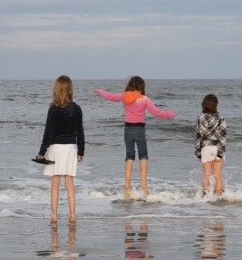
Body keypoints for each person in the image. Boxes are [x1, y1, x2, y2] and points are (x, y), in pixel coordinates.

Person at [95, 76, 175, 198]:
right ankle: (143, 183)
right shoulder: (144, 99)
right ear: (141, 87)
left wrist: (100, 91)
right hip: (139, 129)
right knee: (143, 156)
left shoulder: (124, 96)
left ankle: (127, 184)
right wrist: (169, 114)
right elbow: (156, 113)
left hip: (127, 129)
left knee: (129, 156)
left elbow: (111, 97)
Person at [37, 75, 85, 226]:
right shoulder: (76, 108)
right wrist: (81, 150)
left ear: (56, 90)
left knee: (55, 182)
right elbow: (80, 131)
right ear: (70, 89)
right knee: (69, 182)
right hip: (70, 147)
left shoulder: (53, 109)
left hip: (56, 147)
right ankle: (72, 215)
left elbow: (48, 132)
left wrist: (42, 151)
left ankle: (54, 216)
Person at [195, 94, 227, 196]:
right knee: (218, 176)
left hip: (206, 148)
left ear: (203, 105)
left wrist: (198, 153)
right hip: (217, 148)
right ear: (216, 105)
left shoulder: (200, 118)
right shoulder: (221, 118)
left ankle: (205, 198)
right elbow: (222, 137)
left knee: (206, 176)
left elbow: (198, 136)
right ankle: (218, 199)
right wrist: (220, 154)